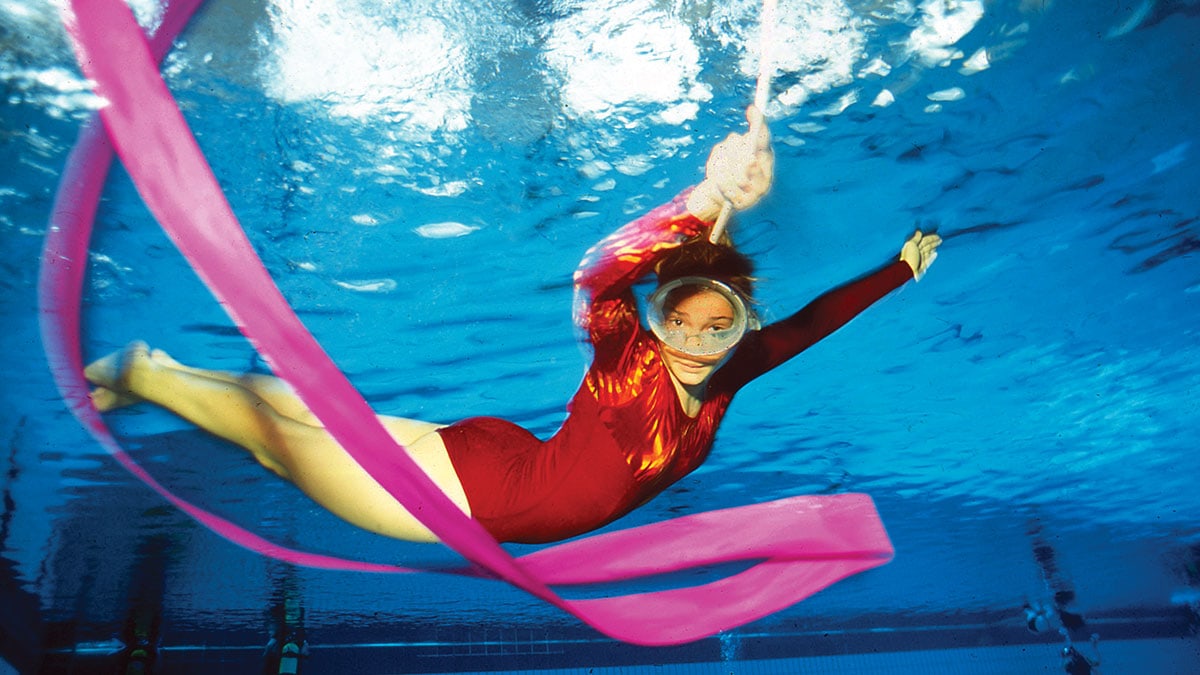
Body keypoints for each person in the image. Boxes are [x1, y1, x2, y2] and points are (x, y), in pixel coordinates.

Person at [85, 106, 941, 545]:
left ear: (735, 330)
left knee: (308, 413)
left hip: (489, 459)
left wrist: (898, 270)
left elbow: (813, 323)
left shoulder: (728, 379)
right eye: (684, 320)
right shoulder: (628, 357)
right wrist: (706, 200)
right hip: (459, 499)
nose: (699, 338)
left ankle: (160, 367)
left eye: (722, 327)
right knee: (279, 434)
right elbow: (600, 277)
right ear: (662, 319)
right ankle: (146, 373)